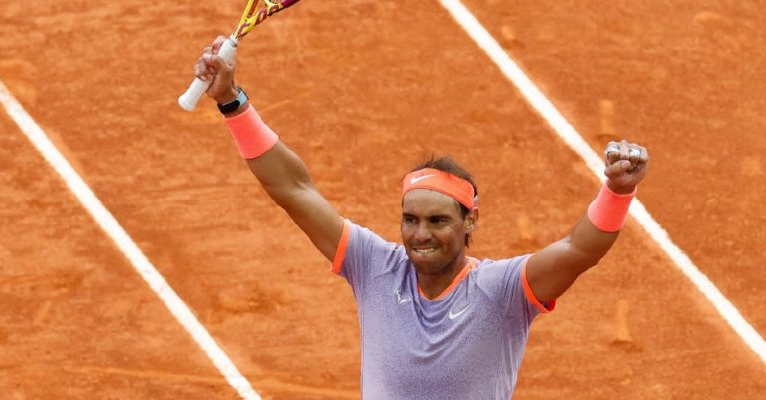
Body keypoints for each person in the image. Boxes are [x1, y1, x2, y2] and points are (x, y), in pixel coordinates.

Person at [193, 36, 649, 399]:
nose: (419, 234)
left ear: (470, 221)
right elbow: (294, 190)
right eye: (411, 220)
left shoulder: (503, 292)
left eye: (437, 221)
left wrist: (618, 190)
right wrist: (232, 100)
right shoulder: (373, 266)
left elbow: (579, 249)